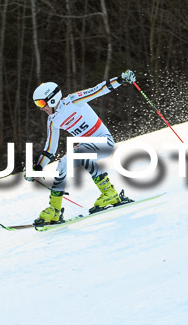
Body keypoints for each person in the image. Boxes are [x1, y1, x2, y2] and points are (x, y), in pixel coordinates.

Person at [26, 69, 137, 226]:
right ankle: (56, 209)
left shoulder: (72, 101)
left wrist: (120, 80)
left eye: (41, 103)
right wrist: (38, 167)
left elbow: (98, 89)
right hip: (87, 148)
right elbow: (50, 148)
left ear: (52, 99)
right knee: (64, 163)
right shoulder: (52, 120)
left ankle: (109, 193)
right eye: (37, 104)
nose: (40, 108)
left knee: (77, 153)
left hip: (104, 142)